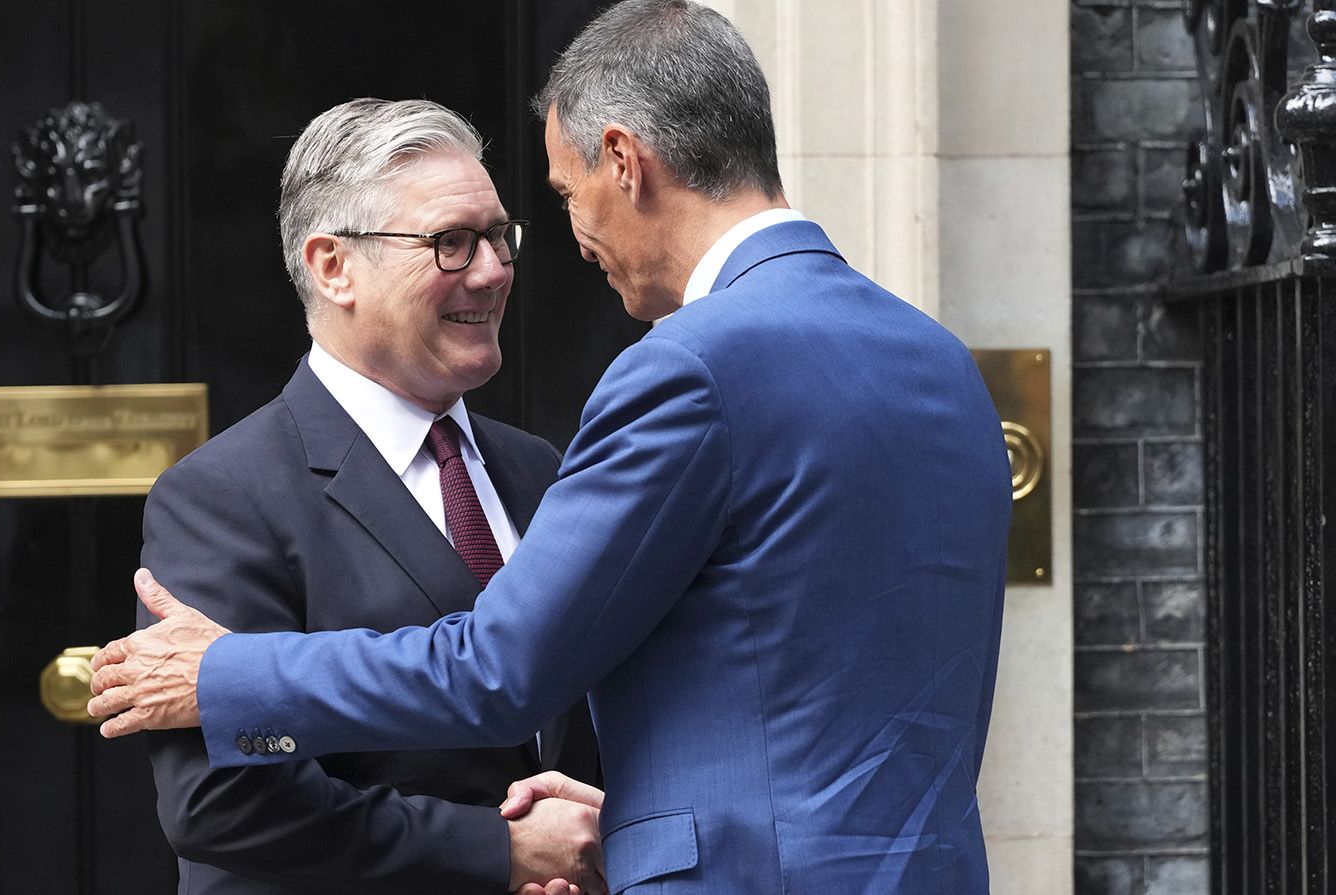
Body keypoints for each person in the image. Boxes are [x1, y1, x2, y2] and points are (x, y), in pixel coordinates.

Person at [90, 2, 1010, 892]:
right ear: (333, 266)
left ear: (625, 161)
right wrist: (595, 830)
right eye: (453, 242)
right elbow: (783, 680)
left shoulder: (675, 377)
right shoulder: (941, 359)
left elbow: (502, 669)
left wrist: (226, 675)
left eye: (529, 218)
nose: (511, 264)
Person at [136, 98, 602, 894]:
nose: (491, 270)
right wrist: (499, 849)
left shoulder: (538, 469)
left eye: (498, 237)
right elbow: (221, 800)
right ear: (332, 266)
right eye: (450, 243)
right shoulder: (221, 496)